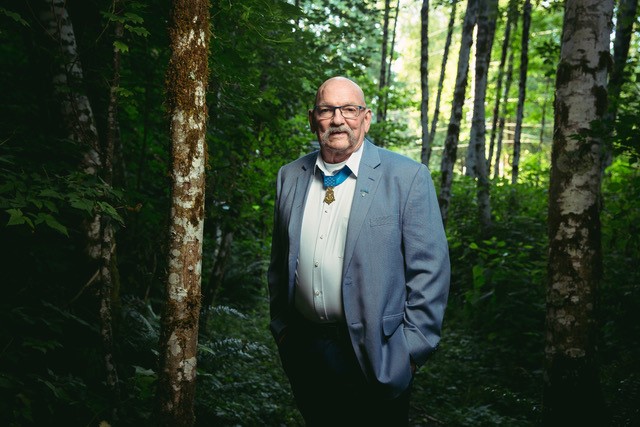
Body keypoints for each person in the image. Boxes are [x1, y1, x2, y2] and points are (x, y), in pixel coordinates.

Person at [267, 76, 450, 426]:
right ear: (313, 119)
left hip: (377, 354)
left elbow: (431, 272)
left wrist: (410, 353)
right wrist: (283, 330)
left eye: (349, 109)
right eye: (327, 110)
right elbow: (279, 263)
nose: (338, 119)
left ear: (365, 119)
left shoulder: (407, 177)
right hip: (305, 348)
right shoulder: (290, 176)